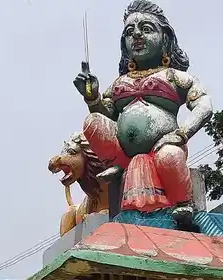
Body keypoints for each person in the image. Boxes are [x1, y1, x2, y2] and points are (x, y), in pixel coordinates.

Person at [72, 0, 212, 229]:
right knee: (92, 122)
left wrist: (182, 134)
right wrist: (92, 97)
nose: (136, 35)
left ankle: (182, 203)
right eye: (129, 32)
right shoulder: (120, 83)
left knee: (169, 157)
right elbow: (106, 114)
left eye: (146, 29)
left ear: (165, 39)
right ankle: (118, 163)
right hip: (122, 151)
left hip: (165, 145)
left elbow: (204, 106)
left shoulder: (174, 77)